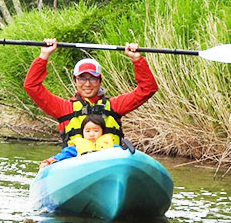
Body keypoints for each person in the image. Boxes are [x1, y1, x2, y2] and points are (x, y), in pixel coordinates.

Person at [23, 38, 158, 151]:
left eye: (92, 78)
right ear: (75, 81)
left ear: (100, 81)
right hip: (77, 162)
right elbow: (31, 86)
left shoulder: (115, 106)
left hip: (110, 160)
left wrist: (137, 59)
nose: (87, 84)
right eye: (82, 78)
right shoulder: (63, 108)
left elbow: (148, 88)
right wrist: (43, 56)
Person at [39, 114, 116, 169]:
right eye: (88, 131)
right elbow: (61, 156)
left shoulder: (112, 147)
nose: (92, 134)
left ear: (102, 132)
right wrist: (48, 162)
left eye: (96, 131)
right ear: (83, 133)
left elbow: (123, 153)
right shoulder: (75, 148)